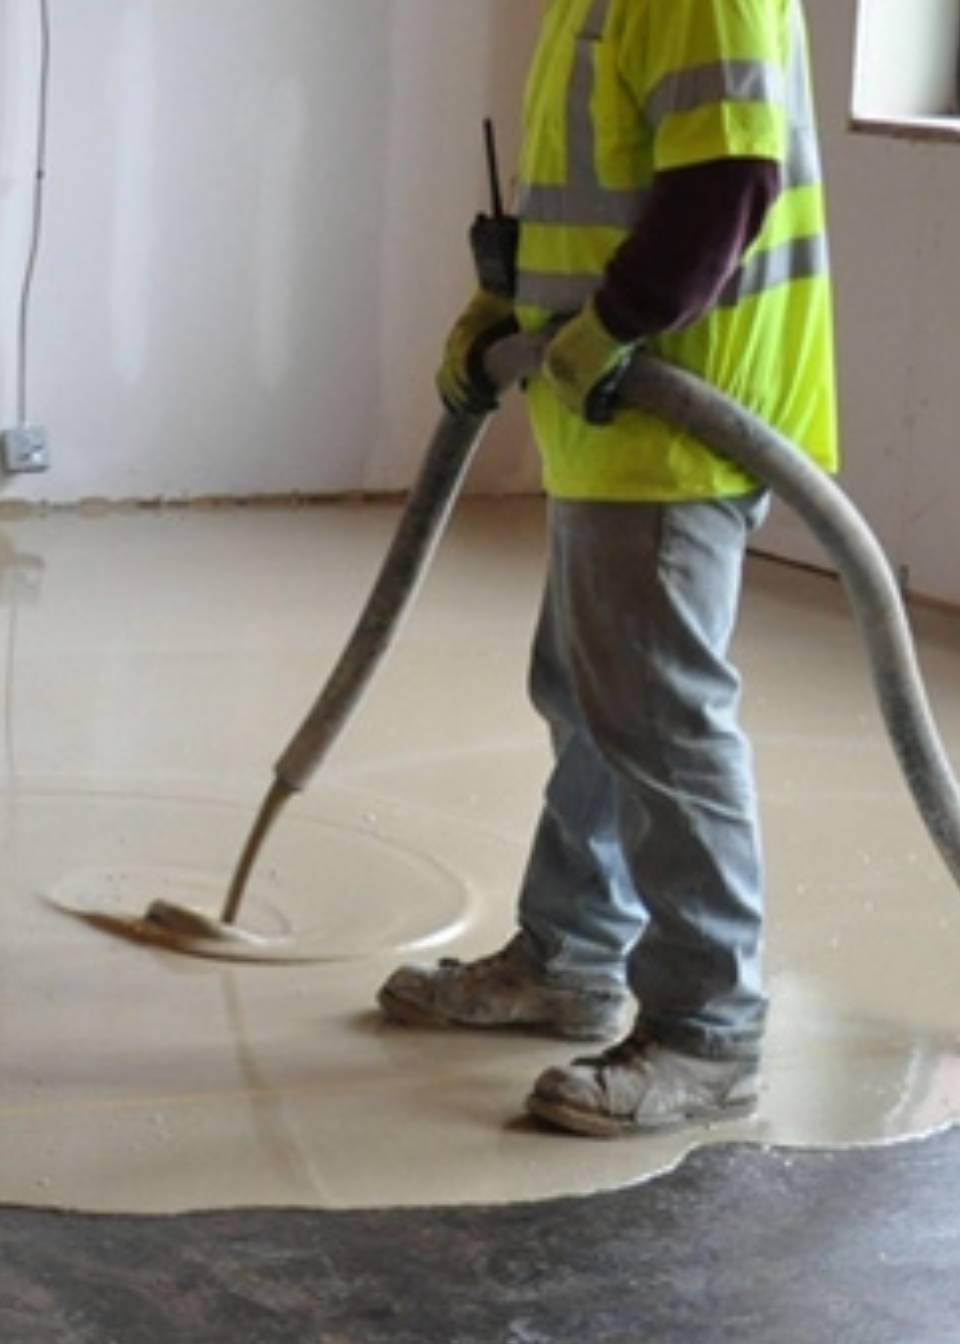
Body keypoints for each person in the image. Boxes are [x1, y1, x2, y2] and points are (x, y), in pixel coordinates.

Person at [378, 0, 838, 1138]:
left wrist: (609, 325)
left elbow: (727, 182)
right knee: (593, 696)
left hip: (679, 405)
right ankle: (573, 954)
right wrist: (509, 292)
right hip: (605, 409)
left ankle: (708, 1032)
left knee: (661, 720)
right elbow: (599, 185)